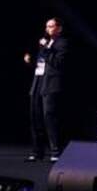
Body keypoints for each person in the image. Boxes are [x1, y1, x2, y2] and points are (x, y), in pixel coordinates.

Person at [24, 18, 69, 162]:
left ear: (59, 28)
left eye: (51, 26)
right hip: (38, 81)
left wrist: (47, 49)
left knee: (49, 117)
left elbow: (57, 63)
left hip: (50, 83)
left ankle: (55, 151)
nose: (47, 29)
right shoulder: (45, 42)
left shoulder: (62, 43)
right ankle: (37, 152)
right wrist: (30, 59)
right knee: (35, 117)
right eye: (46, 26)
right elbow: (41, 62)